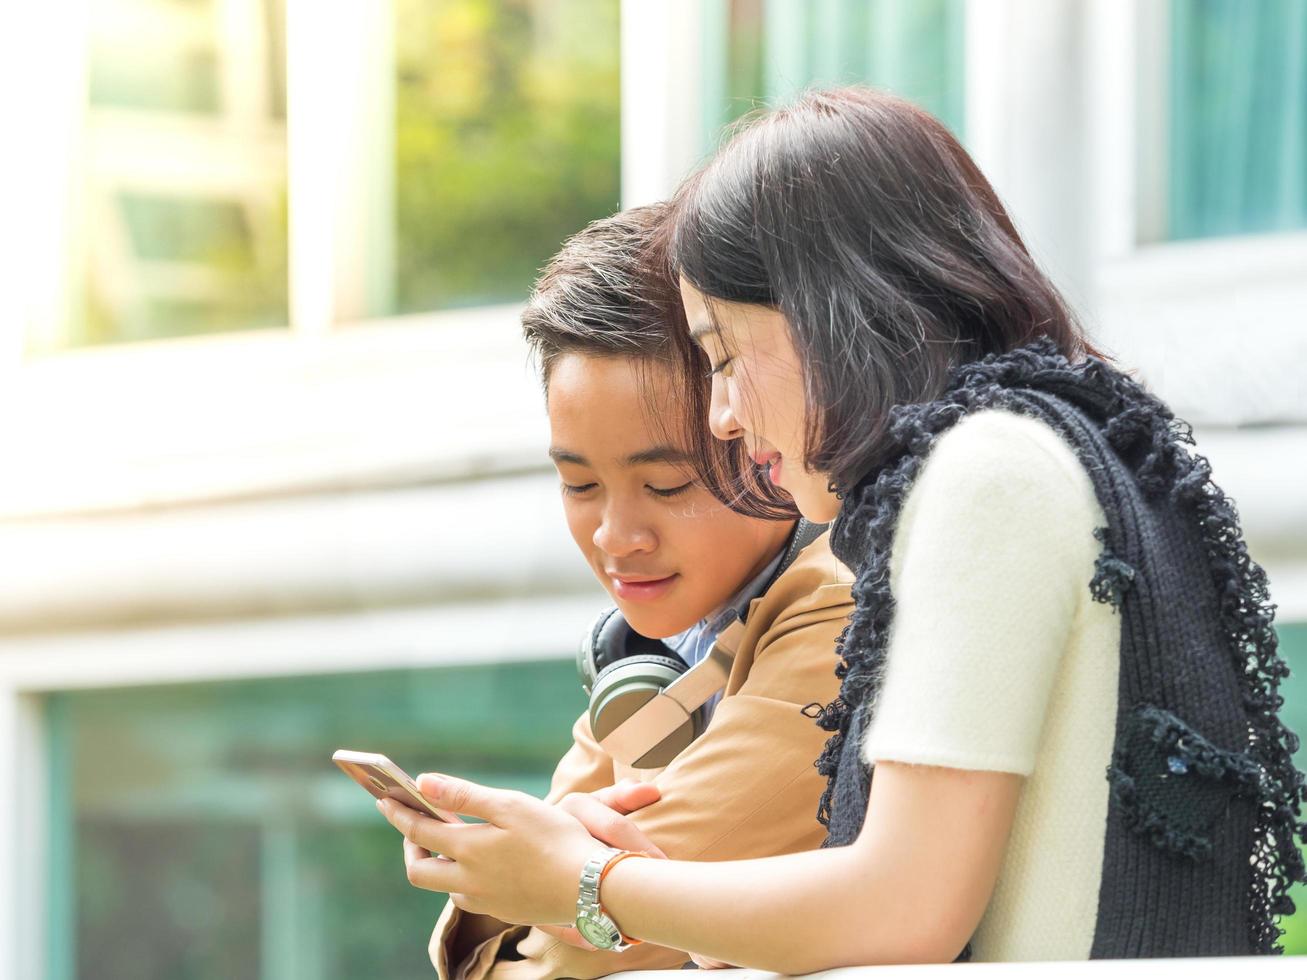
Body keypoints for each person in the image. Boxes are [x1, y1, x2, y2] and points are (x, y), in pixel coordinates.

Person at [381, 88, 1306, 968]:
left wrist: (587, 884)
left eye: (724, 356)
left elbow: (901, 906)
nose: (724, 419)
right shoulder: (1045, 448)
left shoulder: (985, 470)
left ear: (831, 317)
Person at [427, 204, 854, 980]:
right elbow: (515, 931)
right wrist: (525, 887)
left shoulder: (839, 605)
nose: (616, 537)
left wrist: (543, 883)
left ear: (756, 434)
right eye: (578, 483)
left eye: (664, 484)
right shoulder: (645, 645)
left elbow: (579, 947)